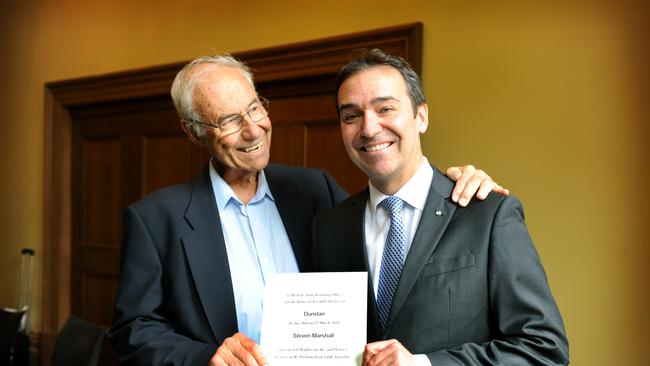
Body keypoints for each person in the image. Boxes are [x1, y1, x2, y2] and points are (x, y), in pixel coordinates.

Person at [107, 54, 508, 366]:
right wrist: (205, 357)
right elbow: (132, 330)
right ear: (193, 130)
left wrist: (455, 180)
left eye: (254, 108)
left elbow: (391, 220)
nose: (252, 129)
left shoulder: (314, 190)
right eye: (229, 120)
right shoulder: (155, 218)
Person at [312, 49, 569, 366]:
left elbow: (543, 349)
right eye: (351, 116)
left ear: (421, 117)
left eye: (385, 108)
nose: (368, 128)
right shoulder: (328, 227)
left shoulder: (486, 213)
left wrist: (424, 364)